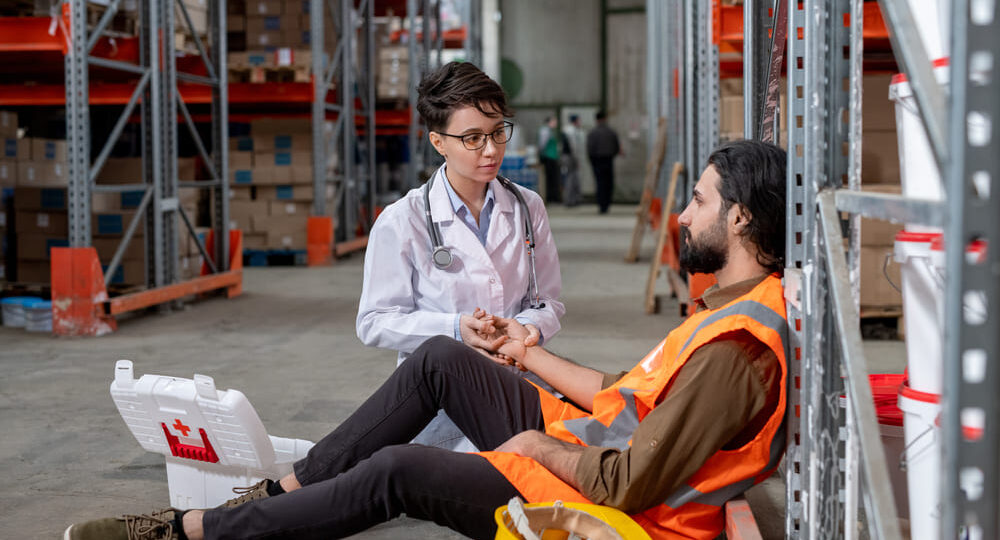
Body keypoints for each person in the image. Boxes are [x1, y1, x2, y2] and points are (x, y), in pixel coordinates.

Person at [65, 139, 789, 540]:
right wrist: (522, 351)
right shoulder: (728, 307)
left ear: (742, 221)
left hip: (618, 511)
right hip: (599, 445)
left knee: (399, 472)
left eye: (699, 201)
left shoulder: (737, 348)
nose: (684, 215)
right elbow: (627, 396)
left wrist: (537, 446)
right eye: (472, 137)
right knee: (443, 359)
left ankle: (192, 533)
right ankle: (284, 490)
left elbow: (632, 483)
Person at [355, 62, 566, 452]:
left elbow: (548, 300)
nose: (491, 150)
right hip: (440, 402)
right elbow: (374, 322)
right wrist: (456, 329)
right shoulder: (403, 220)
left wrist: (523, 328)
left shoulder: (527, 206)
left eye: (498, 132)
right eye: (472, 138)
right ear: (439, 142)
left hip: (518, 377)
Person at [586, 110, 621, 214]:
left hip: (597, 161)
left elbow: (589, 149)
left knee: (599, 183)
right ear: (605, 119)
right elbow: (616, 147)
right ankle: (607, 204)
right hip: (608, 160)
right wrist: (611, 156)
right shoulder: (611, 132)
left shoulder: (592, 133)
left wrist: (592, 161)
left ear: (596, 120)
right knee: (608, 183)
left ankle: (601, 205)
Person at [560, 114, 584, 207]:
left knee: (572, 178)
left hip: (567, 156)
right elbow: (573, 146)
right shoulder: (572, 131)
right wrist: (576, 159)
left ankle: (572, 199)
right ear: (575, 121)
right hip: (570, 157)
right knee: (570, 178)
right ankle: (569, 200)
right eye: (579, 120)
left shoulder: (567, 129)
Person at [537, 116, 562, 204]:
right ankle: (551, 197)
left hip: (553, 157)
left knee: (553, 178)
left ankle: (554, 197)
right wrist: (541, 155)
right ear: (549, 122)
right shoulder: (545, 131)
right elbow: (542, 144)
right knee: (550, 179)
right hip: (548, 158)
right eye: (554, 121)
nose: (555, 123)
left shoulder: (551, 131)